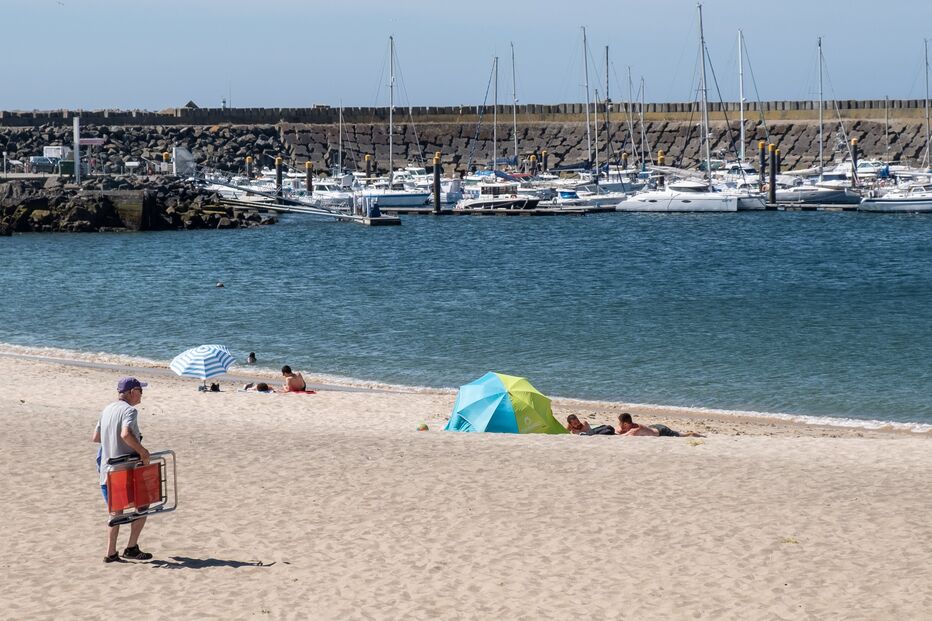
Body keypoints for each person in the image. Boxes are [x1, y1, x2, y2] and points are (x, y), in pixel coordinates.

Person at [92, 377, 153, 563]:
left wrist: (112, 444)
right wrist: (142, 451)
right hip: (124, 470)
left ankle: (111, 552)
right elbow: (125, 434)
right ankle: (131, 547)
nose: (142, 394)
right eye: (140, 391)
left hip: (106, 471)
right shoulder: (130, 411)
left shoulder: (107, 409)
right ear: (132, 392)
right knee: (143, 506)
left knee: (115, 513)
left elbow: (96, 437)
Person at [617, 412, 703, 437]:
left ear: (625, 424)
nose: (618, 424)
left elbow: (622, 436)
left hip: (662, 431)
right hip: (653, 427)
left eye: (620, 422)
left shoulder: (634, 430)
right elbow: (618, 430)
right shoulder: (631, 425)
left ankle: (695, 434)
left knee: (682, 434)